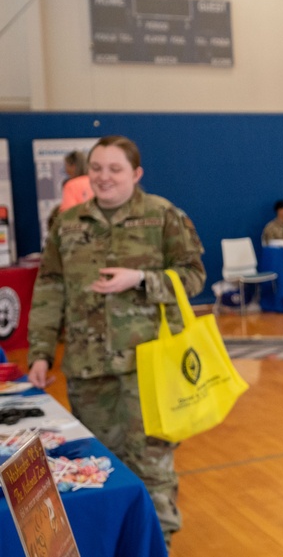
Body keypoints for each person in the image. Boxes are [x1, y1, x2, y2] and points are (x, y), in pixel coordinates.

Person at [26, 135, 206, 547]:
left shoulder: (163, 216)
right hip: (88, 371)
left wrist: (141, 279)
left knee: (153, 468)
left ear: (136, 173)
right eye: (97, 168)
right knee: (94, 470)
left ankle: (157, 546)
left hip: (151, 368)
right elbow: (50, 287)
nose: (104, 177)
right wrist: (40, 351)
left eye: (115, 169)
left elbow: (194, 276)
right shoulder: (67, 224)